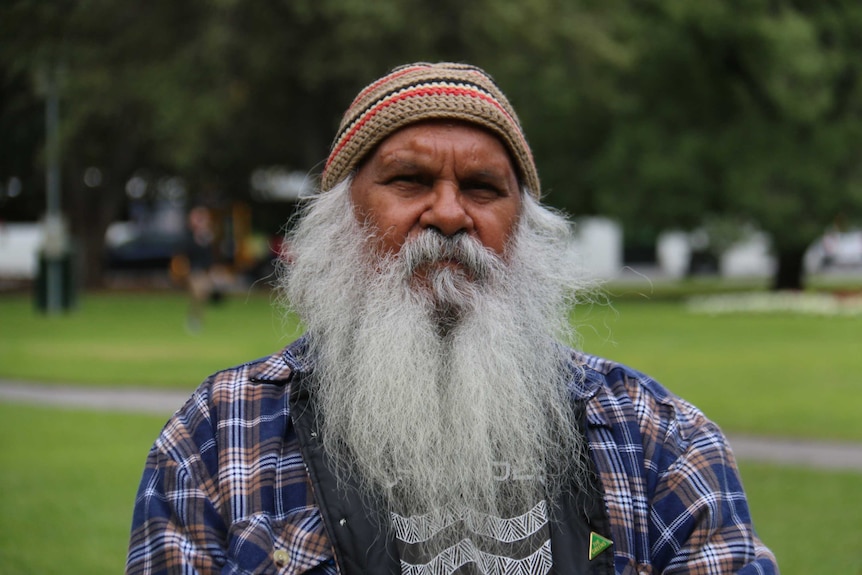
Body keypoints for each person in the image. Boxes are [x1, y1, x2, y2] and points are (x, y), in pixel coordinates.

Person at [127, 63, 778, 574]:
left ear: (525, 230)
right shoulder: (217, 437)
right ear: (341, 218)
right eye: (408, 180)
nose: (447, 213)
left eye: (483, 188)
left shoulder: (657, 440)